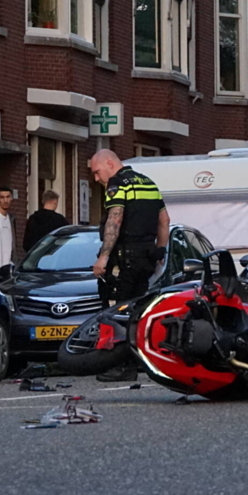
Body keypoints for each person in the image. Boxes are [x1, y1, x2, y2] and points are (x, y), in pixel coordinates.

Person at [89, 149, 170, 382]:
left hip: (124, 258)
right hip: (146, 258)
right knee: (138, 311)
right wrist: (160, 251)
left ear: (109, 163)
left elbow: (115, 218)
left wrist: (104, 256)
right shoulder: (148, 183)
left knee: (115, 310)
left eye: (97, 172)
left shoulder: (117, 184)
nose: (97, 179)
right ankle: (138, 361)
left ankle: (119, 365)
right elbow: (164, 220)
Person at [23, 189, 69, 253]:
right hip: (54, 257)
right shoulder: (60, 220)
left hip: (37, 258)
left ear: (43, 201)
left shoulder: (33, 218)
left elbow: (26, 245)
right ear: (54, 202)